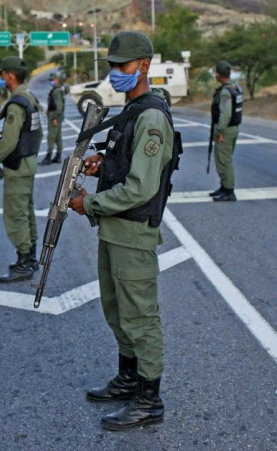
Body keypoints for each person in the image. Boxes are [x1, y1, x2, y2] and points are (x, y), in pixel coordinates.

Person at [69, 31, 178, 431]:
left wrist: (89, 204)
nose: (115, 72)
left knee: (140, 316)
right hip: (114, 232)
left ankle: (149, 400)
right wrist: (103, 160)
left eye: (123, 66)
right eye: (112, 66)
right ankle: (128, 379)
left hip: (132, 233)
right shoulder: (132, 112)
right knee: (117, 311)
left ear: (144, 66)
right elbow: (125, 167)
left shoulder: (151, 117)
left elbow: (141, 187)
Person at [0, 56, 43, 283]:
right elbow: (37, 134)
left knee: (16, 215)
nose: (1, 78)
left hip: (17, 167)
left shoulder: (17, 103)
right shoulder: (30, 98)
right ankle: (31, 258)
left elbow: (8, 141)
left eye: (3, 74)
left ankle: (24, 263)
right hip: (27, 164)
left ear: (9, 75)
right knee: (26, 212)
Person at [209, 60, 243, 202]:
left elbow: (226, 113)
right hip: (233, 129)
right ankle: (224, 187)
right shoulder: (236, 87)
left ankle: (229, 191)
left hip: (225, 131)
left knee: (224, 160)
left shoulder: (225, 92)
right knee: (224, 159)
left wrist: (219, 131)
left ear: (217, 74)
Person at [40, 73, 65, 165]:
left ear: (56, 79)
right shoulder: (56, 90)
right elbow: (53, 104)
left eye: (52, 80)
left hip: (55, 117)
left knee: (51, 137)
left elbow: (59, 106)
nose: (51, 81)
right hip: (56, 116)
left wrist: (54, 118)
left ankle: (48, 157)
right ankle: (58, 156)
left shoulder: (57, 91)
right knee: (58, 137)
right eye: (50, 80)